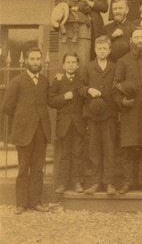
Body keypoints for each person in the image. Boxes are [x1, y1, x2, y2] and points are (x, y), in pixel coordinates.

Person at [1, 48, 52, 214]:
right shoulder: (17, 81)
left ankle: (35, 202)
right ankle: (21, 203)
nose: (36, 62)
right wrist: (23, 118)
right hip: (24, 132)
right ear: (27, 61)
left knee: (38, 168)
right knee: (23, 168)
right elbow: (7, 107)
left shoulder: (45, 81)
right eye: (33, 59)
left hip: (41, 131)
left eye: (38, 59)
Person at [113, 27, 142, 194]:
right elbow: (116, 86)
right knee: (129, 148)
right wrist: (122, 102)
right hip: (130, 113)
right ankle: (127, 182)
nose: (140, 40)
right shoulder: (123, 61)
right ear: (131, 40)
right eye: (136, 37)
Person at [78, 36, 117, 195]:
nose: (102, 51)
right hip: (93, 114)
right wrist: (89, 90)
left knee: (109, 148)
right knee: (94, 149)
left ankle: (109, 183)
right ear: (95, 50)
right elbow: (80, 87)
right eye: (99, 48)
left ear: (109, 50)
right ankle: (95, 182)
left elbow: (118, 86)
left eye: (104, 48)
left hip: (109, 113)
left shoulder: (115, 67)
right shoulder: (88, 67)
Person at [48, 52, 85, 195]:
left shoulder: (81, 80)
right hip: (63, 124)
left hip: (78, 123)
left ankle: (77, 182)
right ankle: (62, 183)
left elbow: (85, 100)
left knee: (77, 153)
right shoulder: (58, 81)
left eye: (73, 62)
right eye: (68, 62)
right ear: (63, 65)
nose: (71, 65)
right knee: (64, 154)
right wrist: (64, 97)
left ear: (78, 65)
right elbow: (50, 101)